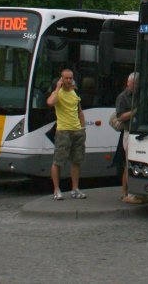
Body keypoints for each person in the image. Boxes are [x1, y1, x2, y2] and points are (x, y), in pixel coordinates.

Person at [46, 68, 86, 200]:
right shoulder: (58, 93)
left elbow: (79, 111)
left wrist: (83, 127)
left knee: (76, 161)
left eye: (70, 78)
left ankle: (75, 189)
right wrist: (57, 88)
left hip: (77, 131)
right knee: (58, 161)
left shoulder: (75, 93)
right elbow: (50, 102)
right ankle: (56, 189)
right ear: (61, 79)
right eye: (66, 78)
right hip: (63, 131)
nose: (68, 80)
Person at [114, 72, 147, 204]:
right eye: (133, 83)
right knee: (129, 163)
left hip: (139, 132)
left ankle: (136, 193)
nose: (135, 86)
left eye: (137, 84)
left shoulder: (140, 95)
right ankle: (126, 193)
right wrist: (134, 112)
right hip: (129, 132)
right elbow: (120, 116)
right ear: (128, 83)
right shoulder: (123, 97)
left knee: (136, 164)